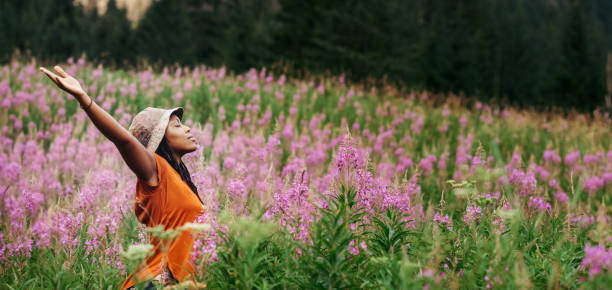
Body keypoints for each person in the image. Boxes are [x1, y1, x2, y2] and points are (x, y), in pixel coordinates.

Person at [40, 65, 206, 289]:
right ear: (160, 139)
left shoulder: (180, 179)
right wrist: (84, 98)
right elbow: (125, 141)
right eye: (177, 125)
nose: (187, 128)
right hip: (157, 282)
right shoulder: (155, 170)